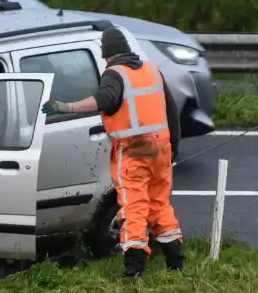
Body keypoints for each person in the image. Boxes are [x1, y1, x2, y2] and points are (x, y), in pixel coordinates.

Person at [41, 26, 184, 277]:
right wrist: (173, 149)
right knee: (159, 205)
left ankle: (133, 272)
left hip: (133, 151)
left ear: (107, 53)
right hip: (161, 148)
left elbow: (105, 100)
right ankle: (176, 264)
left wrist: (67, 107)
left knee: (134, 209)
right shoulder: (152, 70)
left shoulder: (114, 74)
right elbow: (170, 110)